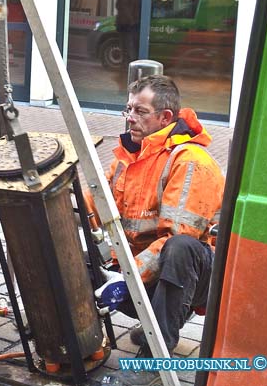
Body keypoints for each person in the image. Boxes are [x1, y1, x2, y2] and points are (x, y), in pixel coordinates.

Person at [91, 75, 224, 382]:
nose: (130, 118)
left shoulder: (191, 161)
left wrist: (127, 277)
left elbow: (178, 237)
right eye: (128, 109)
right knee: (77, 261)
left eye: (140, 111)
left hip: (198, 277)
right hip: (148, 272)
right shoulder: (129, 158)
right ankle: (84, 345)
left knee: (180, 249)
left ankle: (154, 362)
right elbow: (97, 204)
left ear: (165, 118)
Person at [115, 0, 143, 68]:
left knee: (133, 55)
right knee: (130, 56)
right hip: (128, 26)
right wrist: (131, 20)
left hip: (134, 24)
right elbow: (121, 4)